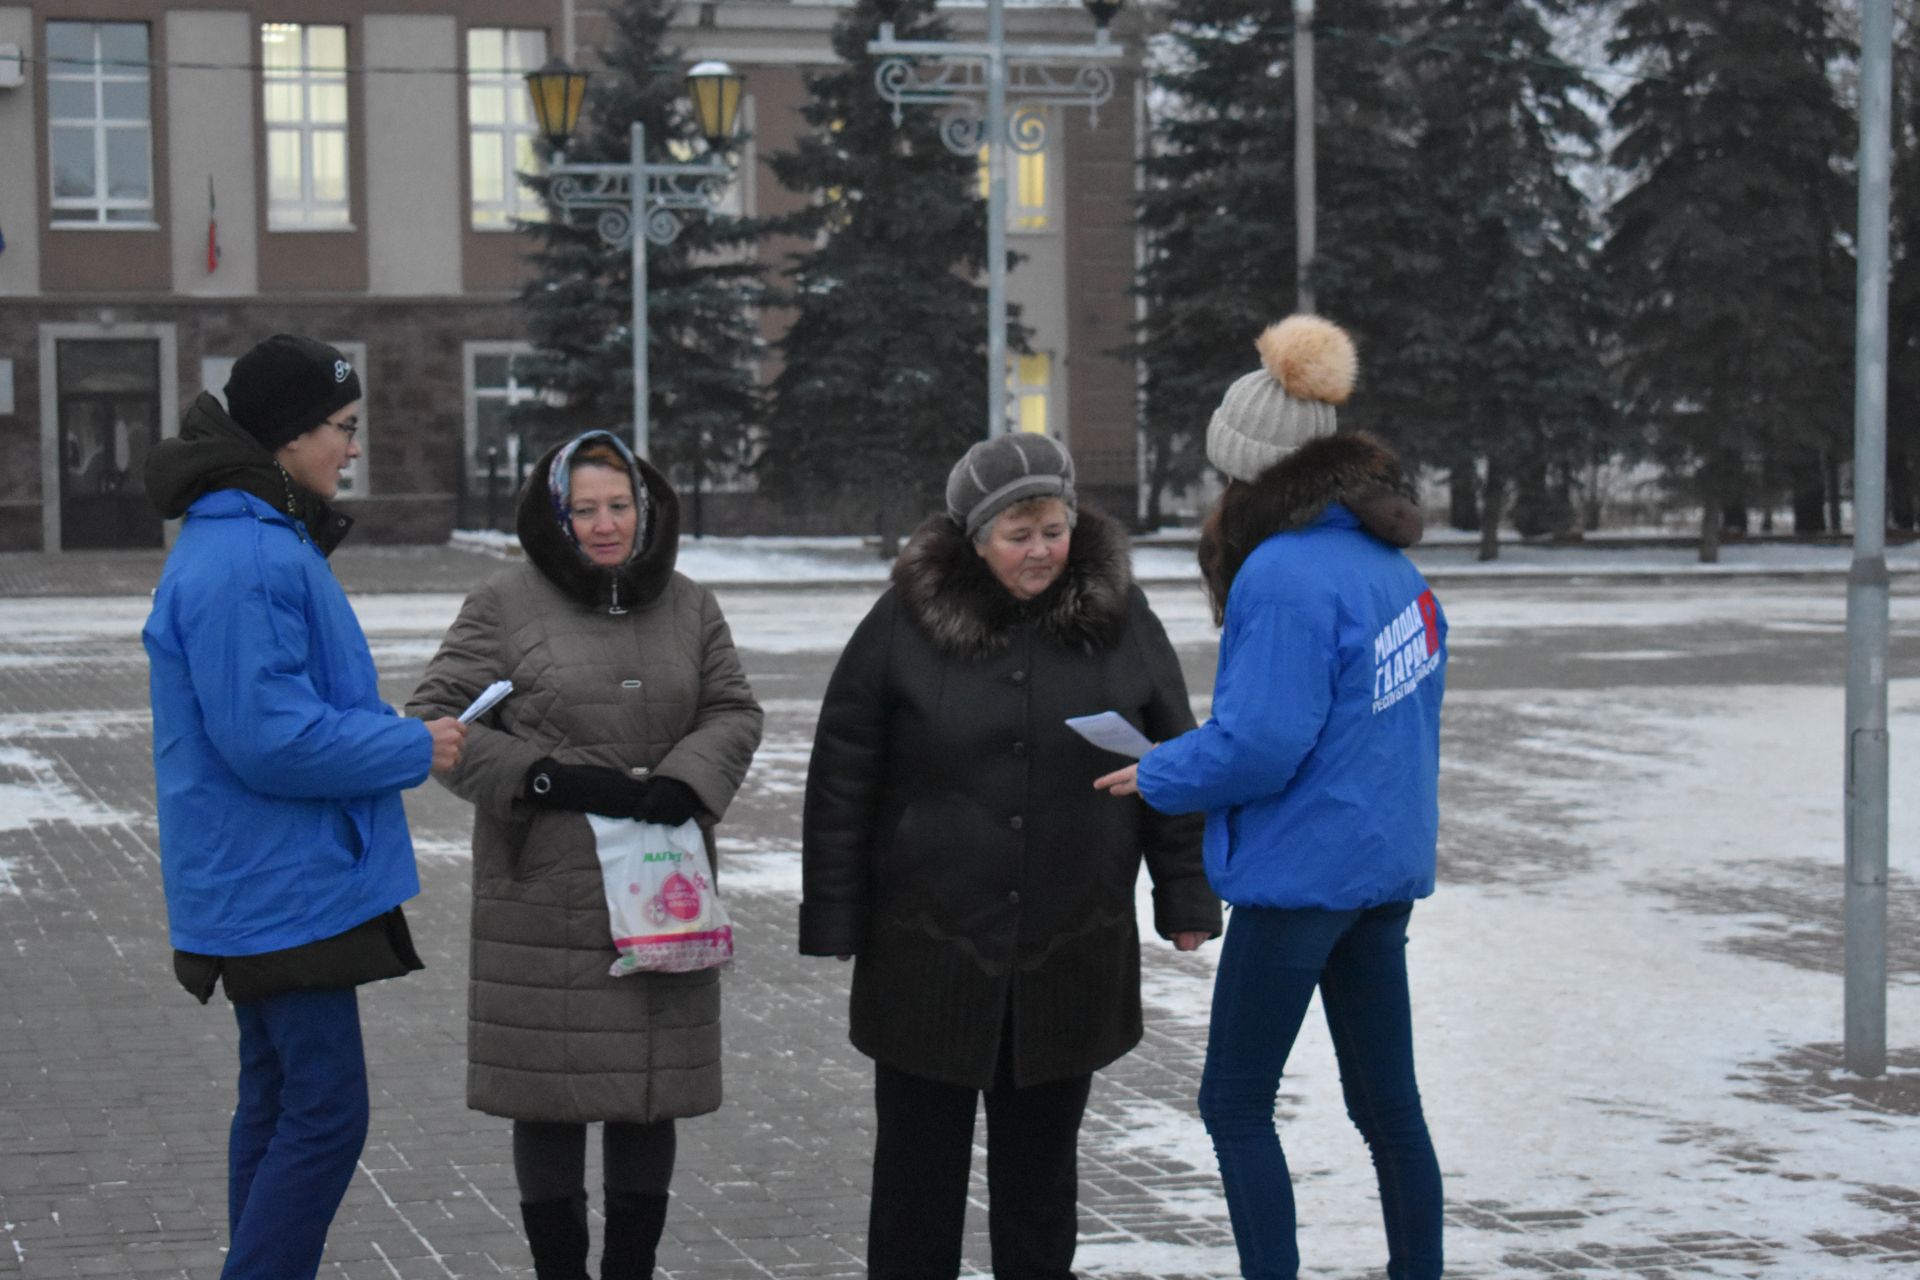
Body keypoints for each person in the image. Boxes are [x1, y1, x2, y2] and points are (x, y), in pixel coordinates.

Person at [801, 432, 1221, 1280]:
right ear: (975, 537)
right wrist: (835, 913)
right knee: (917, 1184)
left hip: (1070, 942)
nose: (1041, 551)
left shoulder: (1122, 618)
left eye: (1054, 530)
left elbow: (1175, 758)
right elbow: (845, 773)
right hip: (930, 944)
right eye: (1017, 534)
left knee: (1040, 1188)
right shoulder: (904, 623)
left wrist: (1184, 898)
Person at [1095, 314, 1445, 1280]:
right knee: (1389, 1112)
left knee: (1235, 1103)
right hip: (1380, 873)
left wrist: (1158, 769)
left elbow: (1264, 745)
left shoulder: (1283, 575)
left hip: (1301, 882)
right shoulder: (1393, 568)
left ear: (1255, 471)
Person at [141, 334, 469, 1280]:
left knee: (281, 1095)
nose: (353, 448)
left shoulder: (250, 535)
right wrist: (416, 745)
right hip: (280, 879)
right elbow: (271, 737)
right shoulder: (248, 555)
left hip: (265, 875)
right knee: (325, 1108)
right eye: (344, 428)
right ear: (289, 436)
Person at [408, 429, 763, 1280]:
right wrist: (537, 780)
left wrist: (688, 777)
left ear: (646, 510)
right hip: (548, 887)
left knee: (649, 1095)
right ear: (554, 515)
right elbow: (434, 724)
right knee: (552, 1096)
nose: (606, 527)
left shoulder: (689, 604)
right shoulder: (504, 604)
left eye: (620, 507)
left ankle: (632, 1269)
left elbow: (733, 710)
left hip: (661, 885)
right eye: (585, 510)